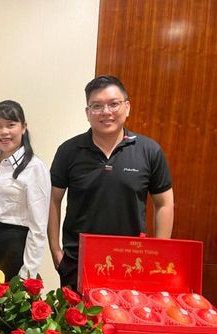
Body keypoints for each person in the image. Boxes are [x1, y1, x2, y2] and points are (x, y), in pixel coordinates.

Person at [48, 75, 174, 289]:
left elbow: (164, 203)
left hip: (131, 263)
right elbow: (53, 200)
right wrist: (56, 251)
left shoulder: (149, 151)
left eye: (114, 104)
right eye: (97, 106)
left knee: (125, 312)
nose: (106, 112)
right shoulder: (68, 151)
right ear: (87, 112)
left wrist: (158, 254)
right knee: (76, 312)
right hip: (77, 262)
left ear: (127, 107)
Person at [0, 100, 51, 280]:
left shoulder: (35, 167)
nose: (4, 132)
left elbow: (38, 227)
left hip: (14, 246)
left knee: (11, 296)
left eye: (11, 125)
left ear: (23, 127)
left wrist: (28, 273)